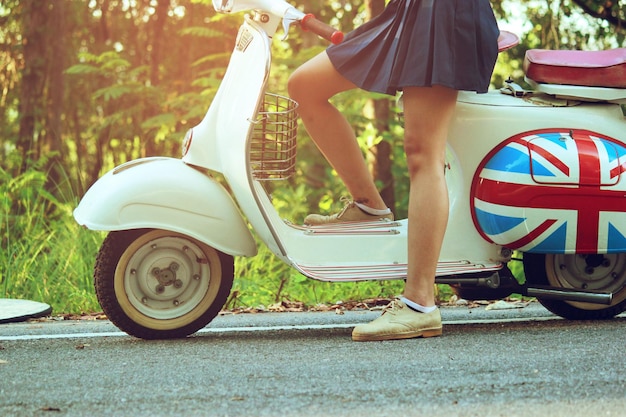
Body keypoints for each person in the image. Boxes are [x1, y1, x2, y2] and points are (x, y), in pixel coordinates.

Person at [288, 0, 500, 342]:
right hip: (408, 12)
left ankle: (420, 303)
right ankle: (368, 206)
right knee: (305, 86)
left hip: (445, 15)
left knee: (422, 152)